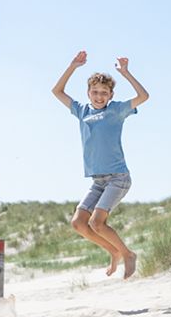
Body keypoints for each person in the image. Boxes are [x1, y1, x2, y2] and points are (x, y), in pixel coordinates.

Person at [51, 52, 150, 279]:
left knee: (97, 222)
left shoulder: (116, 110)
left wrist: (125, 73)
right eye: (95, 92)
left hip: (118, 177)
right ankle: (113, 251)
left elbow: (143, 96)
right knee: (78, 223)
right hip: (98, 181)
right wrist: (72, 66)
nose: (99, 96)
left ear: (110, 95)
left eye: (104, 93)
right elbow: (57, 91)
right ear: (88, 93)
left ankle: (128, 254)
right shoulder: (82, 111)